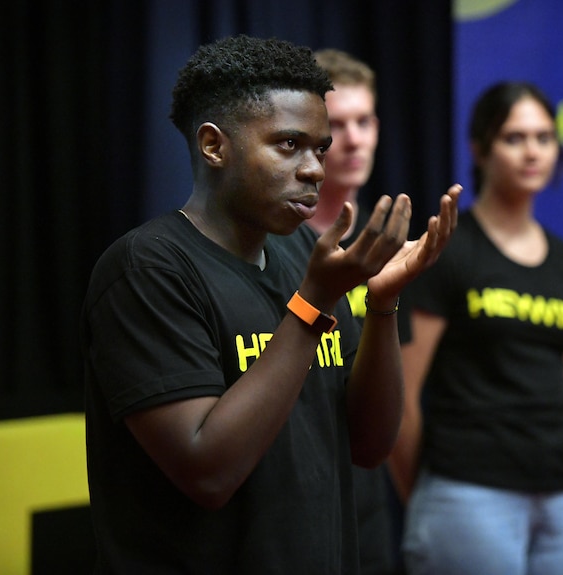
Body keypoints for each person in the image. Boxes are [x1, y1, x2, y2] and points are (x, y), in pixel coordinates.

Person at [80, 34, 461, 574]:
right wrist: (313, 304)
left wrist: (382, 302)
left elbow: (369, 444)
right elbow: (207, 471)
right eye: (288, 145)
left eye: (319, 149)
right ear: (215, 146)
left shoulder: (302, 252)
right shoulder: (147, 269)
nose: (314, 169)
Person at [390, 81, 563, 575]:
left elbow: (562, 378)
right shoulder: (447, 250)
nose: (532, 151)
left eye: (544, 137)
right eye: (514, 137)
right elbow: (400, 394)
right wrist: (426, 495)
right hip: (469, 492)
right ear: (479, 149)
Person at [310, 48, 407, 575]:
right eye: (337, 125)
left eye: (364, 121)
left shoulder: (386, 241)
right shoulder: (267, 241)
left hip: (365, 500)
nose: (354, 139)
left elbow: (399, 392)